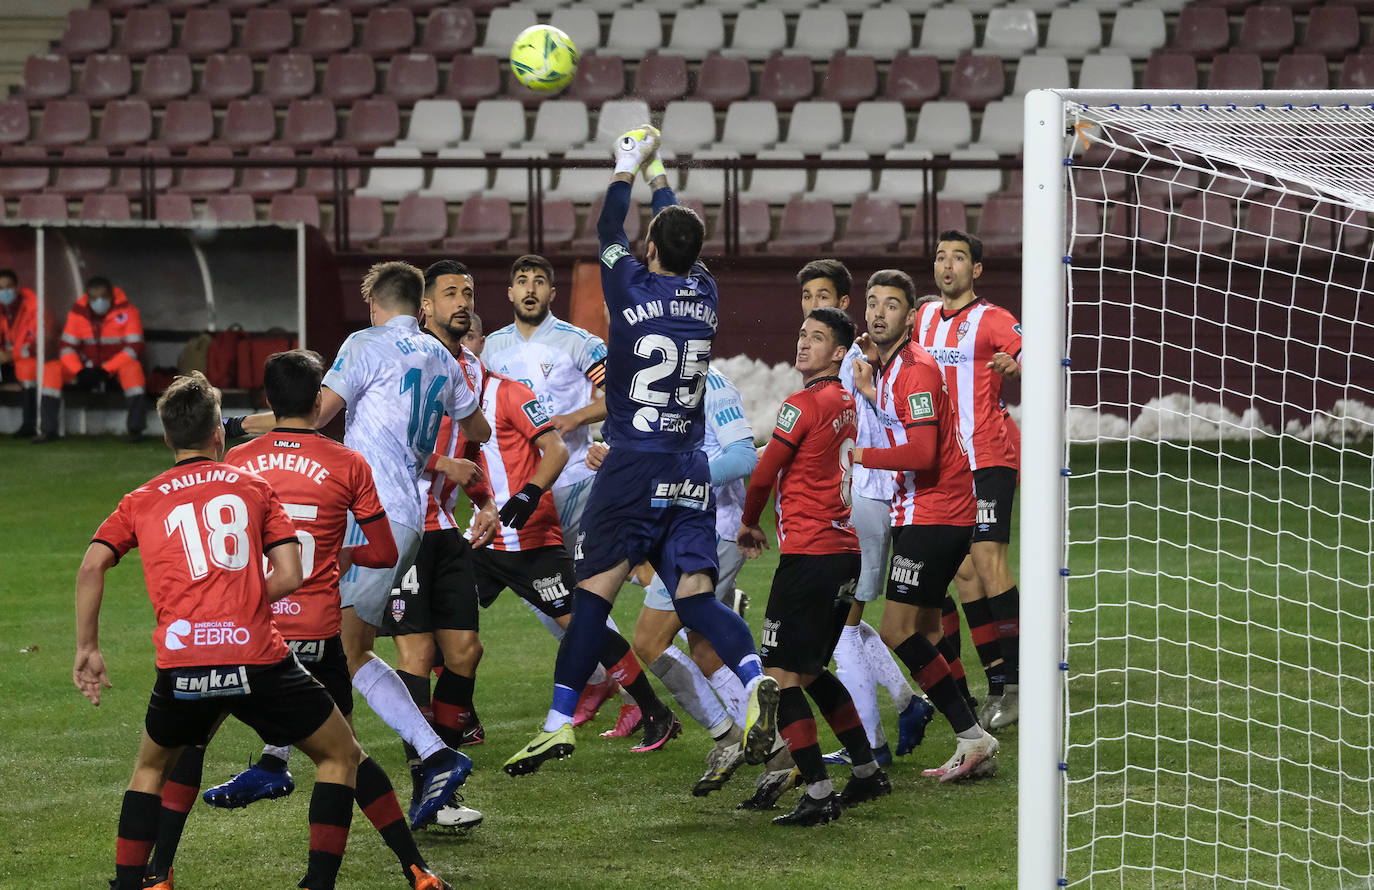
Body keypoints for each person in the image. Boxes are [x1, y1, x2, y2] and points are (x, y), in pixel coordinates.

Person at [503, 127, 779, 777]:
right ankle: (754, 676)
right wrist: (658, 174)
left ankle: (556, 723)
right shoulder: (705, 296)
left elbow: (607, 229)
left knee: (593, 595)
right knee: (695, 598)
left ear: (650, 248)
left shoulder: (628, 285)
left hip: (630, 462)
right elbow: (678, 232)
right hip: (687, 469)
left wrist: (627, 165)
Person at [150, 352, 456, 889]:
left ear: (267, 402)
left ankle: (160, 870)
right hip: (316, 636)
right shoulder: (348, 463)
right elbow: (384, 552)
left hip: (245, 630)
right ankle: (403, 870)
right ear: (320, 401)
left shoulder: (238, 461)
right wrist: (344, 556)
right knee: (344, 758)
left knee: (189, 745)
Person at [73, 372, 363, 890]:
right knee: (340, 755)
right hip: (258, 653)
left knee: (152, 767)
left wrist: (88, 647)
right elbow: (291, 574)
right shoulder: (252, 486)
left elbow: (93, 565)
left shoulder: (141, 497)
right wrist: (246, 604)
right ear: (218, 435)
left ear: (167, 437)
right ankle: (322, 880)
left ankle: (137, 881)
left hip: (183, 659)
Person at [228, 261, 491, 829]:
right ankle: (276, 757)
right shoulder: (444, 357)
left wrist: (236, 426)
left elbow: (314, 414)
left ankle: (435, 752)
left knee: (345, 650)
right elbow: (479, 431)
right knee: (320, 634)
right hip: (407, 518)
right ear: (419, 305)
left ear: (375, 303)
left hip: (367, 516)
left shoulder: (365, 343)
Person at [736, 306, 894, 827]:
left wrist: (749, 523)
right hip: (844, 553)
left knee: (781, 678)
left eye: (818, 337)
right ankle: (868, 772)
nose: (804, 343)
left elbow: (763, 474)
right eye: (802, 333)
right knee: (811, 671)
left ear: (839, 352)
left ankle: (820, 794)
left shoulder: (801, 404)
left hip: (810, 556)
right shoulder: (846, 402)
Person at [850, 269, 1000, 782]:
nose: (878, 312)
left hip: (936, 511)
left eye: (891, 305)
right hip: (928, 510)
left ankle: (972, 732)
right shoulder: (889, 369)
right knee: (929, 627)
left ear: (911, 316)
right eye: (872, 303)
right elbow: (907, 429)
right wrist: (870, 394)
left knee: (898, 629)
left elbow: (922, 451)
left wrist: (859, 453)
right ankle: (971, 733)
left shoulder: (915, 368)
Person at [796, 259, 935, 767]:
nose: (816, 306)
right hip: (858, 503)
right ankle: (906, 702)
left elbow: (875, 433)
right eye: (809, 298)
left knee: (842, 629)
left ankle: (872, 744)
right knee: (850, 621)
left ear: (845, 305)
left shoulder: (853, 362)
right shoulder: (846, 364)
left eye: (825, 297)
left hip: (863, 503)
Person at [480, 253, 621, 723]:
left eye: (539, 282)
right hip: (520, 494)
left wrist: (576, 418)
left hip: (577, 481)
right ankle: (606, 676)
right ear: (510, 292)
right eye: (522, 281)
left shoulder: (578, 342)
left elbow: (617, 397)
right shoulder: (491, 349)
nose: (530, 289)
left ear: (552, 293)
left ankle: (622, 680)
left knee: (584, 592)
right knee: (544, 595)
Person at [616, 364, 760, 795]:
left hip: (711, 531)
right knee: (701, 647)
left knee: (650, 639)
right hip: (682, 531)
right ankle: (766, 744)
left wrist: (678, 483)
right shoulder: (659, 380)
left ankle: (735, 736)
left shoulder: (712, 384)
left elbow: (743, 455)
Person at [915, 231, 1024, 729]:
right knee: (963, 572)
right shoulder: (924, 319)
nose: (948, 265)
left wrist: (1015, 363)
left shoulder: (993, 318)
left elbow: (1032, 352)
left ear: (976, 270)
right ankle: (998, 682)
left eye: (959, 257)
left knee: (986, 558)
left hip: (989, 453)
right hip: (946, 465)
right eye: (941, 256)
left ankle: (1022, 683)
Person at [36, 275, 146, 443]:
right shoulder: (78, 313)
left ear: (111, 296)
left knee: (133, 370)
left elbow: (134, 348)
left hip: (114, 369)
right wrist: (78, 371)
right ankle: (47, 430)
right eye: (94, 298)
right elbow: (66, 347)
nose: (99, 302)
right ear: (87, 297)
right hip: (85, 368)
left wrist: (105, 369)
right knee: (52, 369)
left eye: (103, 297)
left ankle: (136, 429)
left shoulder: (128, 312)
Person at [0, 268, 46, 437]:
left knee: (26, 368)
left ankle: (30, 424)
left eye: (8, 287)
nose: (4, 292)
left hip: (28, 358)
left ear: (17, 287)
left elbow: (37, 343)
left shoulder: (34, 306)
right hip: (6, 361)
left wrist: (12, 355)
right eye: (1, 288)